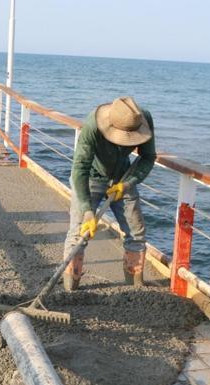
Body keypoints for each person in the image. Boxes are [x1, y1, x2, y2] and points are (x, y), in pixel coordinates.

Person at [63, 96, 156, 291]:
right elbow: (79, 168)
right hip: (91, 177)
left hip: (123, 177)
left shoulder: (142, 119)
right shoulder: (93, 126)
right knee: (79, 233)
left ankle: (135, 290)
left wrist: (129, 183)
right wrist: (88, 210)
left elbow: (148, 157)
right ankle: (70, 289)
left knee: (136, 233)